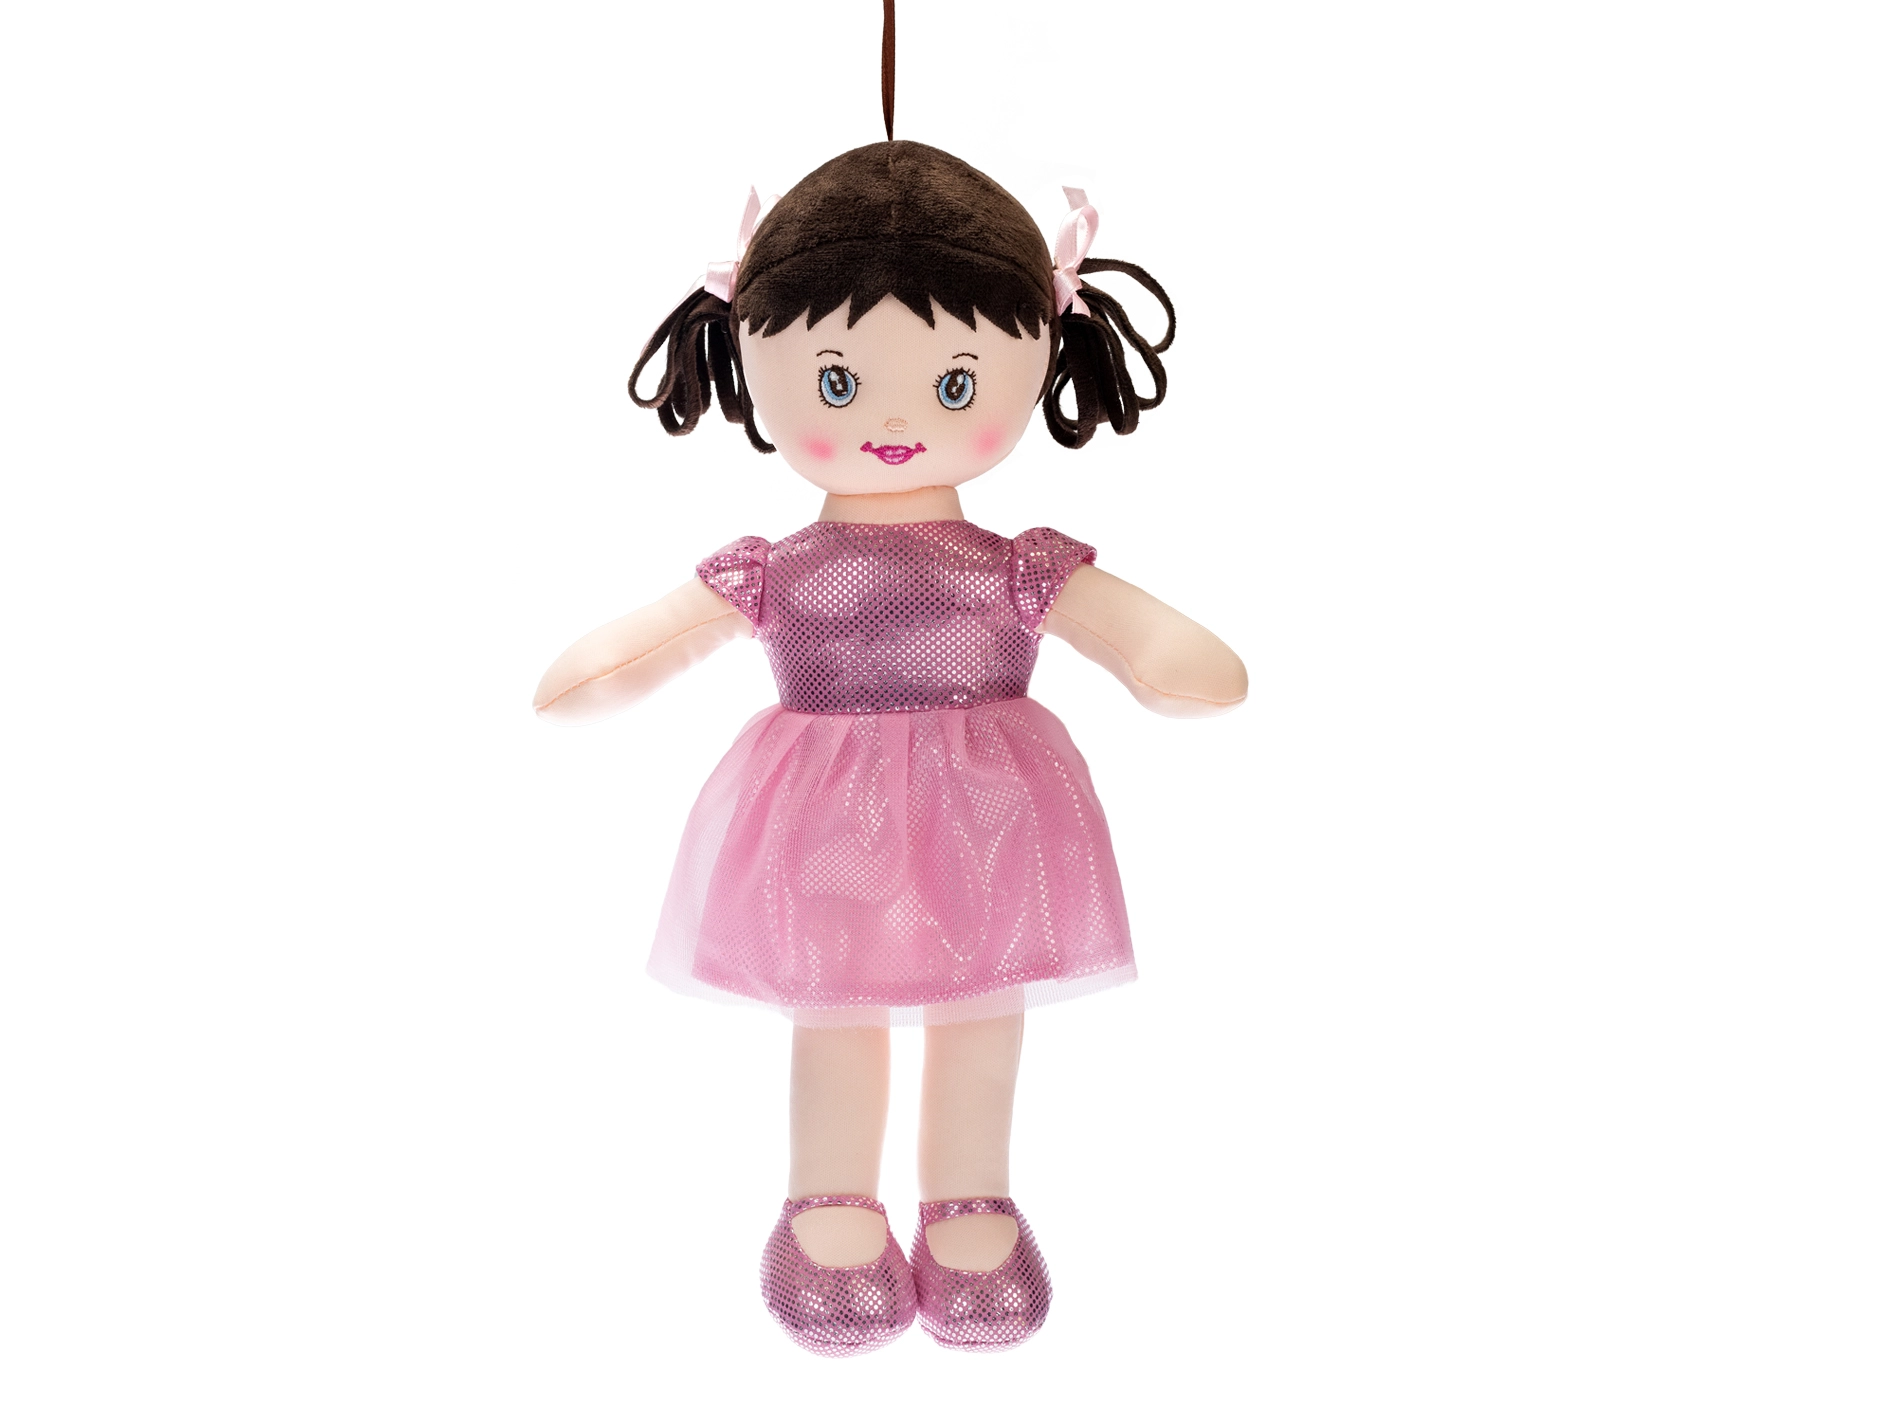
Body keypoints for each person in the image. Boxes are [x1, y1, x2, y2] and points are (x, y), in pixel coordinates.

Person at [534, 140, 1246, 1354]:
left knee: (980, 1003)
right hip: (824, 821)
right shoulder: (777, 570)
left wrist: (1167, 661)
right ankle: (831, 1202)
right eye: (837, 381)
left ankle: (972, 1200)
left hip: (989, 820)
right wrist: (597, 670)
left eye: (958, 382)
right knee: (837, 1004)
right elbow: (632, 651)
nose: (901, 417)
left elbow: (1169, 654)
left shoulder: (1013, 565)